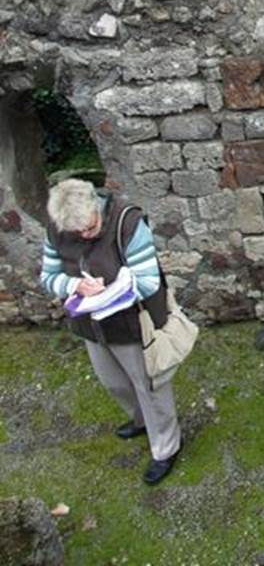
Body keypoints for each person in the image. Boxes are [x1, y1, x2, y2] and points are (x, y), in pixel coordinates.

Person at [41, 178, 182, 485]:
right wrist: (74, 285)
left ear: (97, 207)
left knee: (149, 385)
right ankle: (142, 420)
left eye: (89, 229)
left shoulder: (128, 223)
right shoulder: (57, 228)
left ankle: (166, 447)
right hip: (91, 325)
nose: (83, 236)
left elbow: (147, 282)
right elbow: (49, 276)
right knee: (113, 381)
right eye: (76, 233)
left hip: (132, 323)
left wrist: (109, 292)